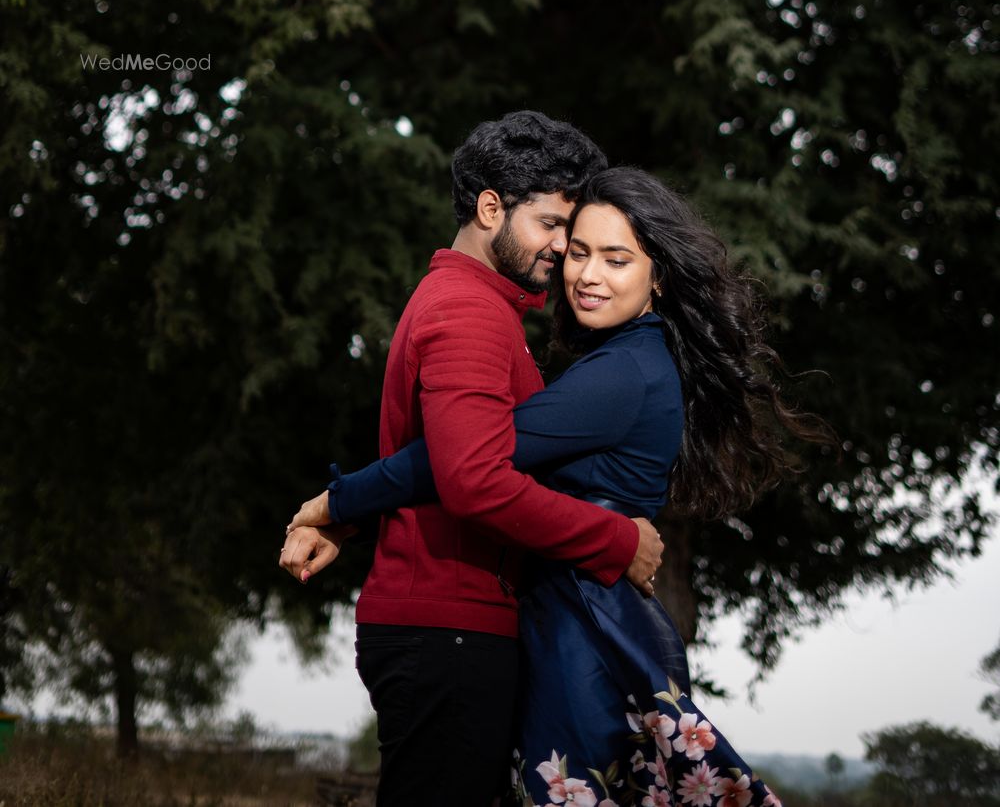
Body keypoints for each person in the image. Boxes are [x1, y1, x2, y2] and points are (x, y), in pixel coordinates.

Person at [285, 166, 826, 807]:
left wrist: (333, 502)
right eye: (578, 253)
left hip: (588, 633)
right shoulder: (628, 360)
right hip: (584, 618)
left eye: (616, 259)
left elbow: (458, 462)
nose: (587, 275)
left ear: (659, 274)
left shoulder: (623, 373)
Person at [280, 115, 664, 807]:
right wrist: (618, 540)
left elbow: (442, 460)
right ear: (491, 208)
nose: (562, 249)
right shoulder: (470, 314)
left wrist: (342, 512)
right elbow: (474, 480)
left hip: (449, 626)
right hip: (447, 631)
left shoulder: (475, 305)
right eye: (551, 225)